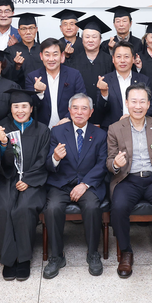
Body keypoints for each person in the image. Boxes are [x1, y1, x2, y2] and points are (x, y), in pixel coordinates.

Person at [107, 83, 152, 282]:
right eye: (134, 101)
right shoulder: (115, 128)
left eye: (142, 101)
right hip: (127, 179)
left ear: (148, 104)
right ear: (126, 103)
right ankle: (126, 251)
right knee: (119, 207)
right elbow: (109, 161)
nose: (138, 106)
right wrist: (115, 164)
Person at [42, 93, 108, 279]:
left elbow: (102, 164)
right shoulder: (56, 132)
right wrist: (55, 158)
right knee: (52, 208)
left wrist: (85, 184)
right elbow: (47, 164)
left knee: (92, 206)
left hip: (88, 183)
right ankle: (56, 256)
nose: (79, 112)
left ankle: (93, 253)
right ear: (69, 111)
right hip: (61, 183)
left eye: (84, 108)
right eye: (75, 108)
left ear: (91, 112)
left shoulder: (100, 134)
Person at [0, 88, 51, 281]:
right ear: (10, 109)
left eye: (24, 106)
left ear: (31, 108)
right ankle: (9, 259)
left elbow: (43, 160)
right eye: (16, 106)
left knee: (24, 208)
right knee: (4, 206)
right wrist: (2, 145)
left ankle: (23, 259)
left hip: (33, 181)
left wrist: (29, 180)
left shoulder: (42, 130)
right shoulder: (3, 130)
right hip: (7, 179)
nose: (20, 110)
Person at [25, 38, 86, 129]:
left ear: (62, 56)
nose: (51, 59)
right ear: (41, 56)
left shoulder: (74, 75)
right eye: (47, 55)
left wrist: (68, 118)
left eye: (55, 54)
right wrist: (39, 93)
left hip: (68, 126)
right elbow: (30, 107)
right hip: (41, 130)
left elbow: (82, 100)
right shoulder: (32, 77)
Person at [96, 41, 152, 129]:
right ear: (113, 59)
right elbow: (100, 110)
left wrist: (132, 117)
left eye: (126, 56)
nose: (122, 60)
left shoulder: (143, 80)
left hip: (138, 127)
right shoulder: (105, 80)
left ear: (133, 59)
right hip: (111, 129)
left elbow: (151, 107)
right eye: (118, 57)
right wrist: (104, 93)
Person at [68, 15, 114, 126]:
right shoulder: (73, 61)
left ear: (100, 39)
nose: (90, 40)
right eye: (87, 37)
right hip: (80, 118)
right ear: (82, 39)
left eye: (94, 37)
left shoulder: (110, 61)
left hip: (107, 116)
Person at [5, 12, 44, 87]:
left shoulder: (43, 50)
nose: (28, 32)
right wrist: (17, 67)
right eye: (23, 29)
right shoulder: (10, 51)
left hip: (42, 90)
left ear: (36, 29)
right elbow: (7, 78)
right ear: (18, 31)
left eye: (31, 28)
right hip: (19, 92)